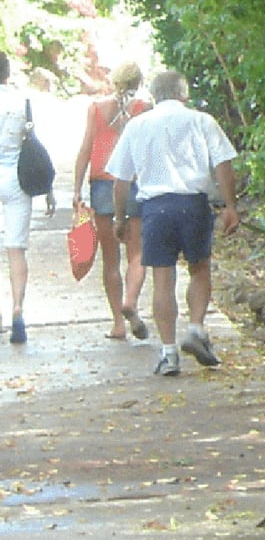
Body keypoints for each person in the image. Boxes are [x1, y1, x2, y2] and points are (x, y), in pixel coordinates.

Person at [106, 69, 239, 376]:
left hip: (155, 208)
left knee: (163, 279)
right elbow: (223, 165)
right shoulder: (202, 121)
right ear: (184, 94)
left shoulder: (137, 126)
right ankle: (194, 329)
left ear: (153, 95)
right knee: (199, 268)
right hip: (193, 204)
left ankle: (168, 354)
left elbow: (120, 180)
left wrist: (120, 217)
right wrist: (230, 206)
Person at [71, 63, 152, 341]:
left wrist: (76, 189)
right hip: (135, 181)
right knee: (137, 253)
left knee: (110, 259)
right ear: (139, 81)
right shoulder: (144, 108)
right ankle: (131, 300)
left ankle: (118, 322)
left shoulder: (96, 108)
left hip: (102, 183)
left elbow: (85, 149)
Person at [0, 53, 36, 345]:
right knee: (16, 250)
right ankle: (17, 311)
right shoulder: (21, 102)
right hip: (17, 177)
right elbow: (32, 143)